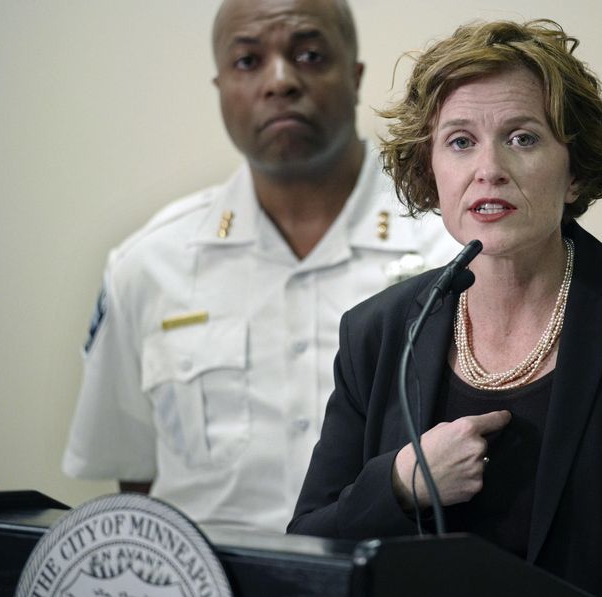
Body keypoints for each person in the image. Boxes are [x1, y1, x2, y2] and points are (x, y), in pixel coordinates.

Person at [288, 19, 602, 596]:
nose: (488, 168)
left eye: (522, 137)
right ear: (432, 171)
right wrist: (402, 483)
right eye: (459, 141)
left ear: (574, 171)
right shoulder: (376, 332)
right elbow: (307, 549)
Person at [61, 0, 458, 534]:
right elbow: (137, 481)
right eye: (248, 62)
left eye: (311, 55)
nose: (280, 81)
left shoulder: (452, 253)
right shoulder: (149, 264)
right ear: (221, 86)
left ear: (356, 75)